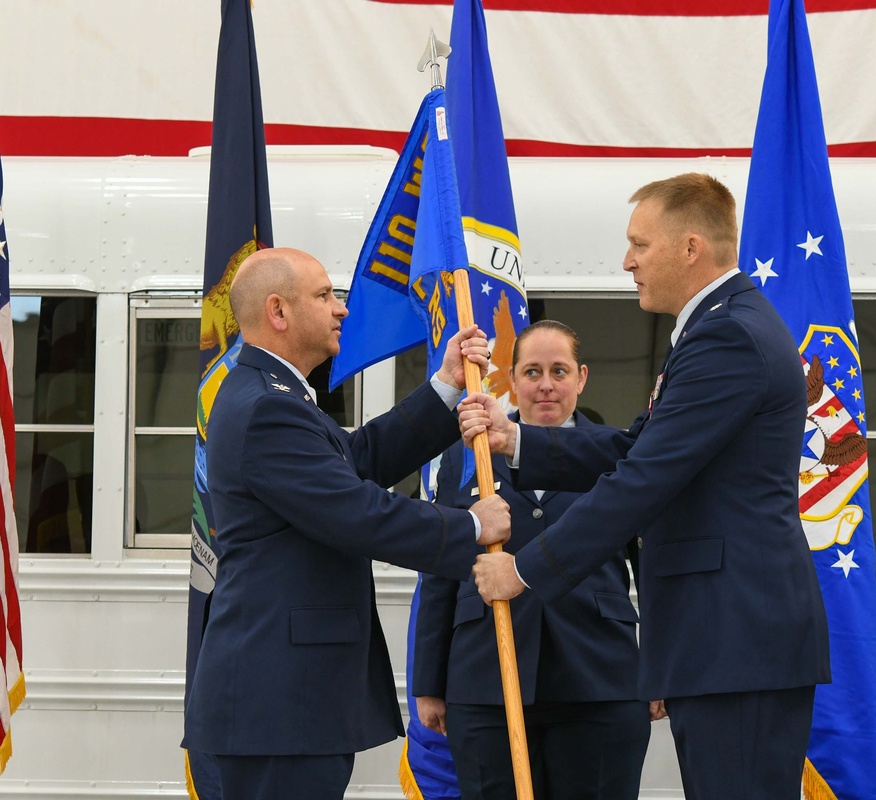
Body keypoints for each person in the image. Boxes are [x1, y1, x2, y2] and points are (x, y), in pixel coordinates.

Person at [462, 174, 831, 800]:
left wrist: (524, 571)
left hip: (734, 637)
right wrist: (517, 440)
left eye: (640, 244)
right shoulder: (717, 324)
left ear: (690, 248)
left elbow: (643, 480)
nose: (627, 261)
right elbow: (640, 449)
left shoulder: (728, 335)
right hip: (726, 639)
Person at [182, 247, 511, 800]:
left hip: (287, 703)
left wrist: (446, 386)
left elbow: (357, 459)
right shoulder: (267, 407)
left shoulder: (274, 397)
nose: (341, 309)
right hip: (281, 705)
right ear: (278, 312)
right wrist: (469, 528)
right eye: (325, 295)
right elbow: (355, 511)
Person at [412, 320, 650, 800]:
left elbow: (651, 568)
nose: (545, 385)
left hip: (596, 679)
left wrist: (662, 665)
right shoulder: (467, 457)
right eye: (533, 371)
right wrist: (428, 681)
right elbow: (442, 565)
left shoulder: (621, 457)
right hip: (487, 679)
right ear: (512, 380)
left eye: (559, 371)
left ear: (581, 378)